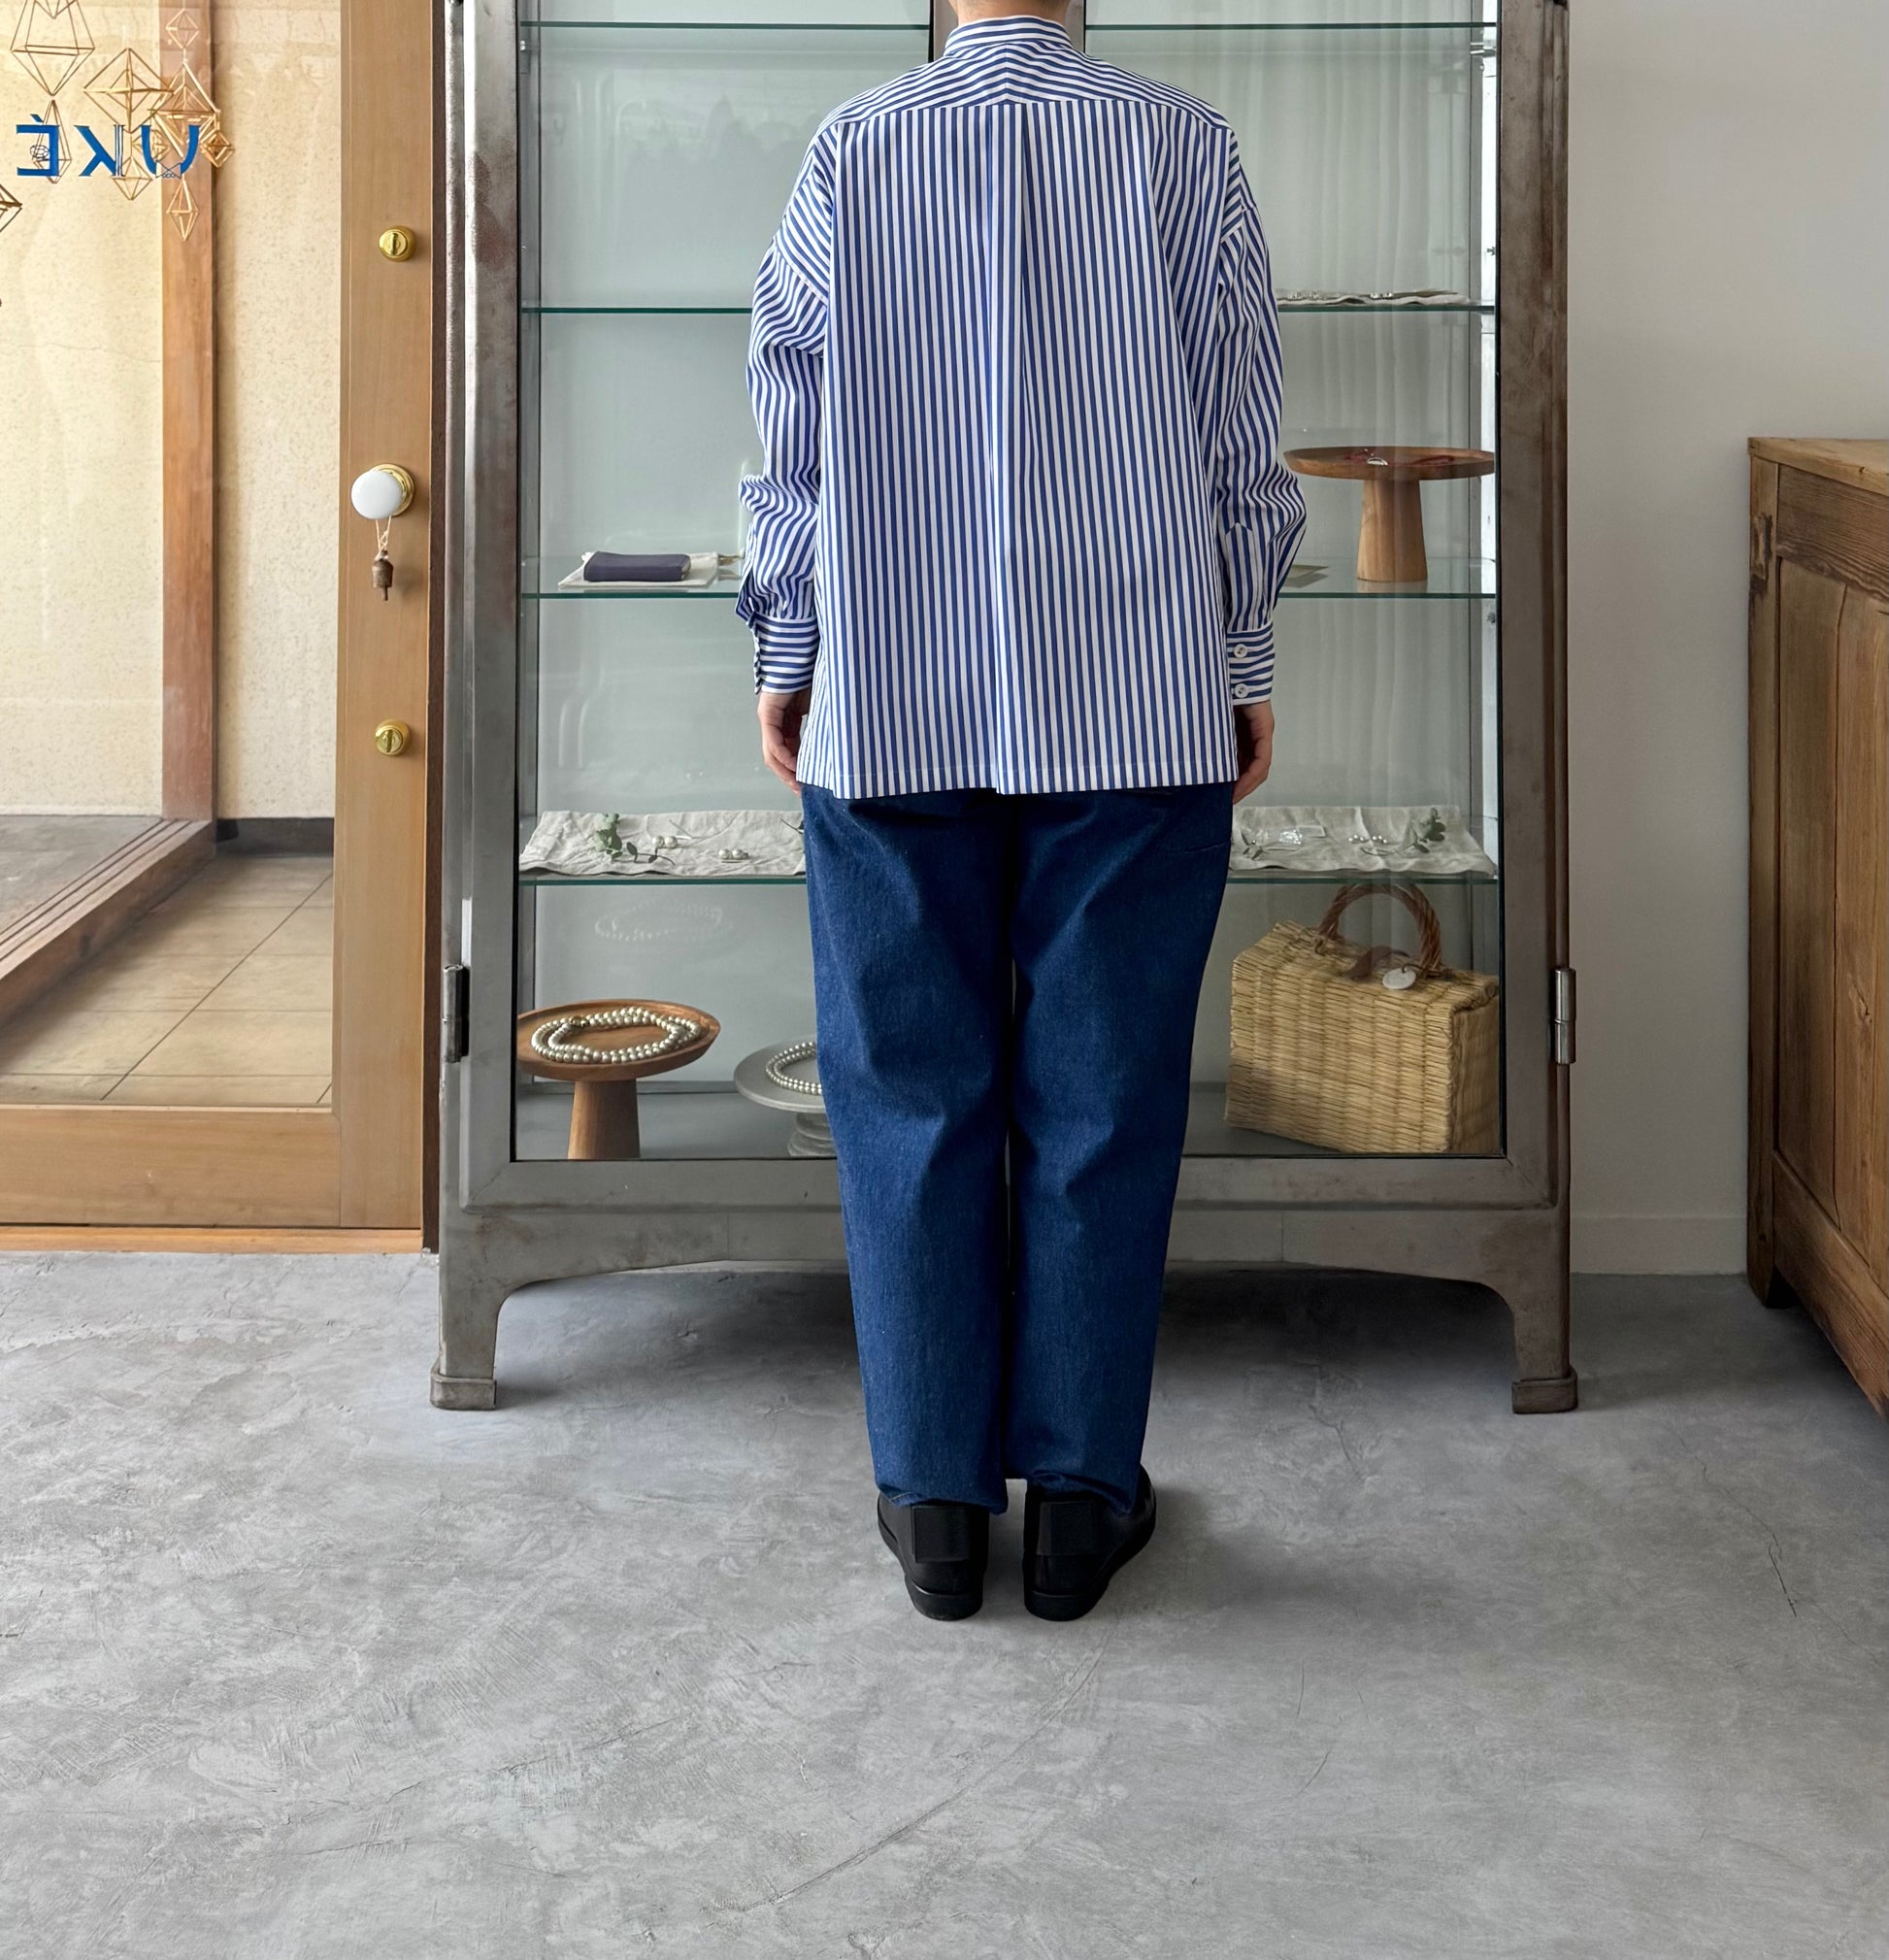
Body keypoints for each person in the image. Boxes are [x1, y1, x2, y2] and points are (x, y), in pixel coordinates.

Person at [735, 0, 1306, 1622]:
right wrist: (1240, 656)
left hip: (888, 705)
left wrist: (790, 651)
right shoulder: (1179, 142)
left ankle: (930, 1505)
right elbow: (1239, 436)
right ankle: (1074, 1506)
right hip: (1138, 706)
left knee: (904, 1101)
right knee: (1106, 1102)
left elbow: (789, 429)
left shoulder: (856, 143)